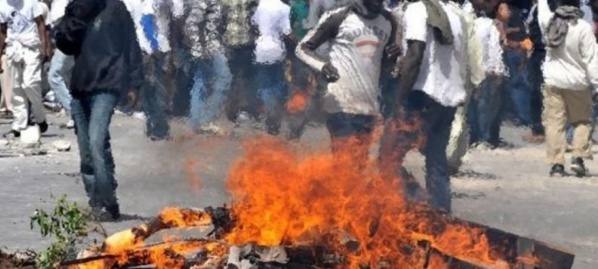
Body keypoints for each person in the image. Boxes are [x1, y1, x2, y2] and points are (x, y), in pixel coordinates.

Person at [54, 0, 143, 220]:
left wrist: (134, 84)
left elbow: (131, 46)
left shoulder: (116, 8)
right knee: (86, 151)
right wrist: (77, 17)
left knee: (96, 141)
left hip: (107, 85)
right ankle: (96, 201)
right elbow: (65, 44)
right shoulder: (76, 9)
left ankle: (108, 201)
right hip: (81, 87)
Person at [380, 0, 468, 213]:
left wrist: (399, 101)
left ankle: (415, 204)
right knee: (437, 163)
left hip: (422, 96)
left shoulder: (418, 9)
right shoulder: (455, 14)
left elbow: (414, 55)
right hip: (449, 98)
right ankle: (440, 218)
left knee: (387, 156)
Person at [297, 0, 398, 169]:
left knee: (359, 165)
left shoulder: (389, 21)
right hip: (340, 104)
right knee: (345, 164)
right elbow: (303, 48)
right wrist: (322, 66)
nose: (376, 3)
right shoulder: (339, 17)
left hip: (369, 107)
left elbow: (385, 64)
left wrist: (393, 56)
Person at [537, 0, 598, 177]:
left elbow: (542, 9)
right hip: (578, 83)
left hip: (553, 81)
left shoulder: (549, 21)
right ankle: (578, 158)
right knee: (582, 121)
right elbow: (591, 59)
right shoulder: (583, 27)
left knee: (555, 123)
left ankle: (557, 165)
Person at [0, 0, 50, 139]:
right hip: (13, 46)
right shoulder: (2, 5)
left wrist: (44, 47)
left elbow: (41, 24)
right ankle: (19, 124)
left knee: (30, 83)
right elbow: (2, 30)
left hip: (30, 45)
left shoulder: (31, 3)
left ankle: (40, 118)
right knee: (16, 87)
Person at [446, 0, 485, 174]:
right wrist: (477, 80)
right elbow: (474, 51)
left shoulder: (428, 10)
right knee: (459, 119)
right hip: (461, 78)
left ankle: (453, 160)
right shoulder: (464, 18)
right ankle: (448, 159)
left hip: (442, 76)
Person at [186, 0, 232, 135]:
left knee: (201, 82)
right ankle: (207, 119)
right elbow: (191, 23)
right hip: (209, 49)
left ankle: (197, 122)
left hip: (208, 48)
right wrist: (201, 47)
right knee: (225, 78)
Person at [468, 0, 508, 148]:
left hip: (475, 70)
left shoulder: (472, 23)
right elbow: (494, 48)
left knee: (476, 106)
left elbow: (493, 48)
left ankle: (477, 137)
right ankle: (481, 138)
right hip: (482, 71)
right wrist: (497, 69)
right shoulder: (488, 25)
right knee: (482, 106)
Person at [251, 0, 292, 135]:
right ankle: (274, 115)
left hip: (261, 49)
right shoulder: (284, 8)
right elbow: (286, 32)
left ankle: (269, 113)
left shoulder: (262, 4)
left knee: (265, 85)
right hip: (276, 49)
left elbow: (254, 24)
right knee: (278, 84)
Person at [48, 0, 75, 129]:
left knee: (54, 76)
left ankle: (75, 113)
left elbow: (60, 18)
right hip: (67, 38)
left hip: (68, 38)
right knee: (67, 77)